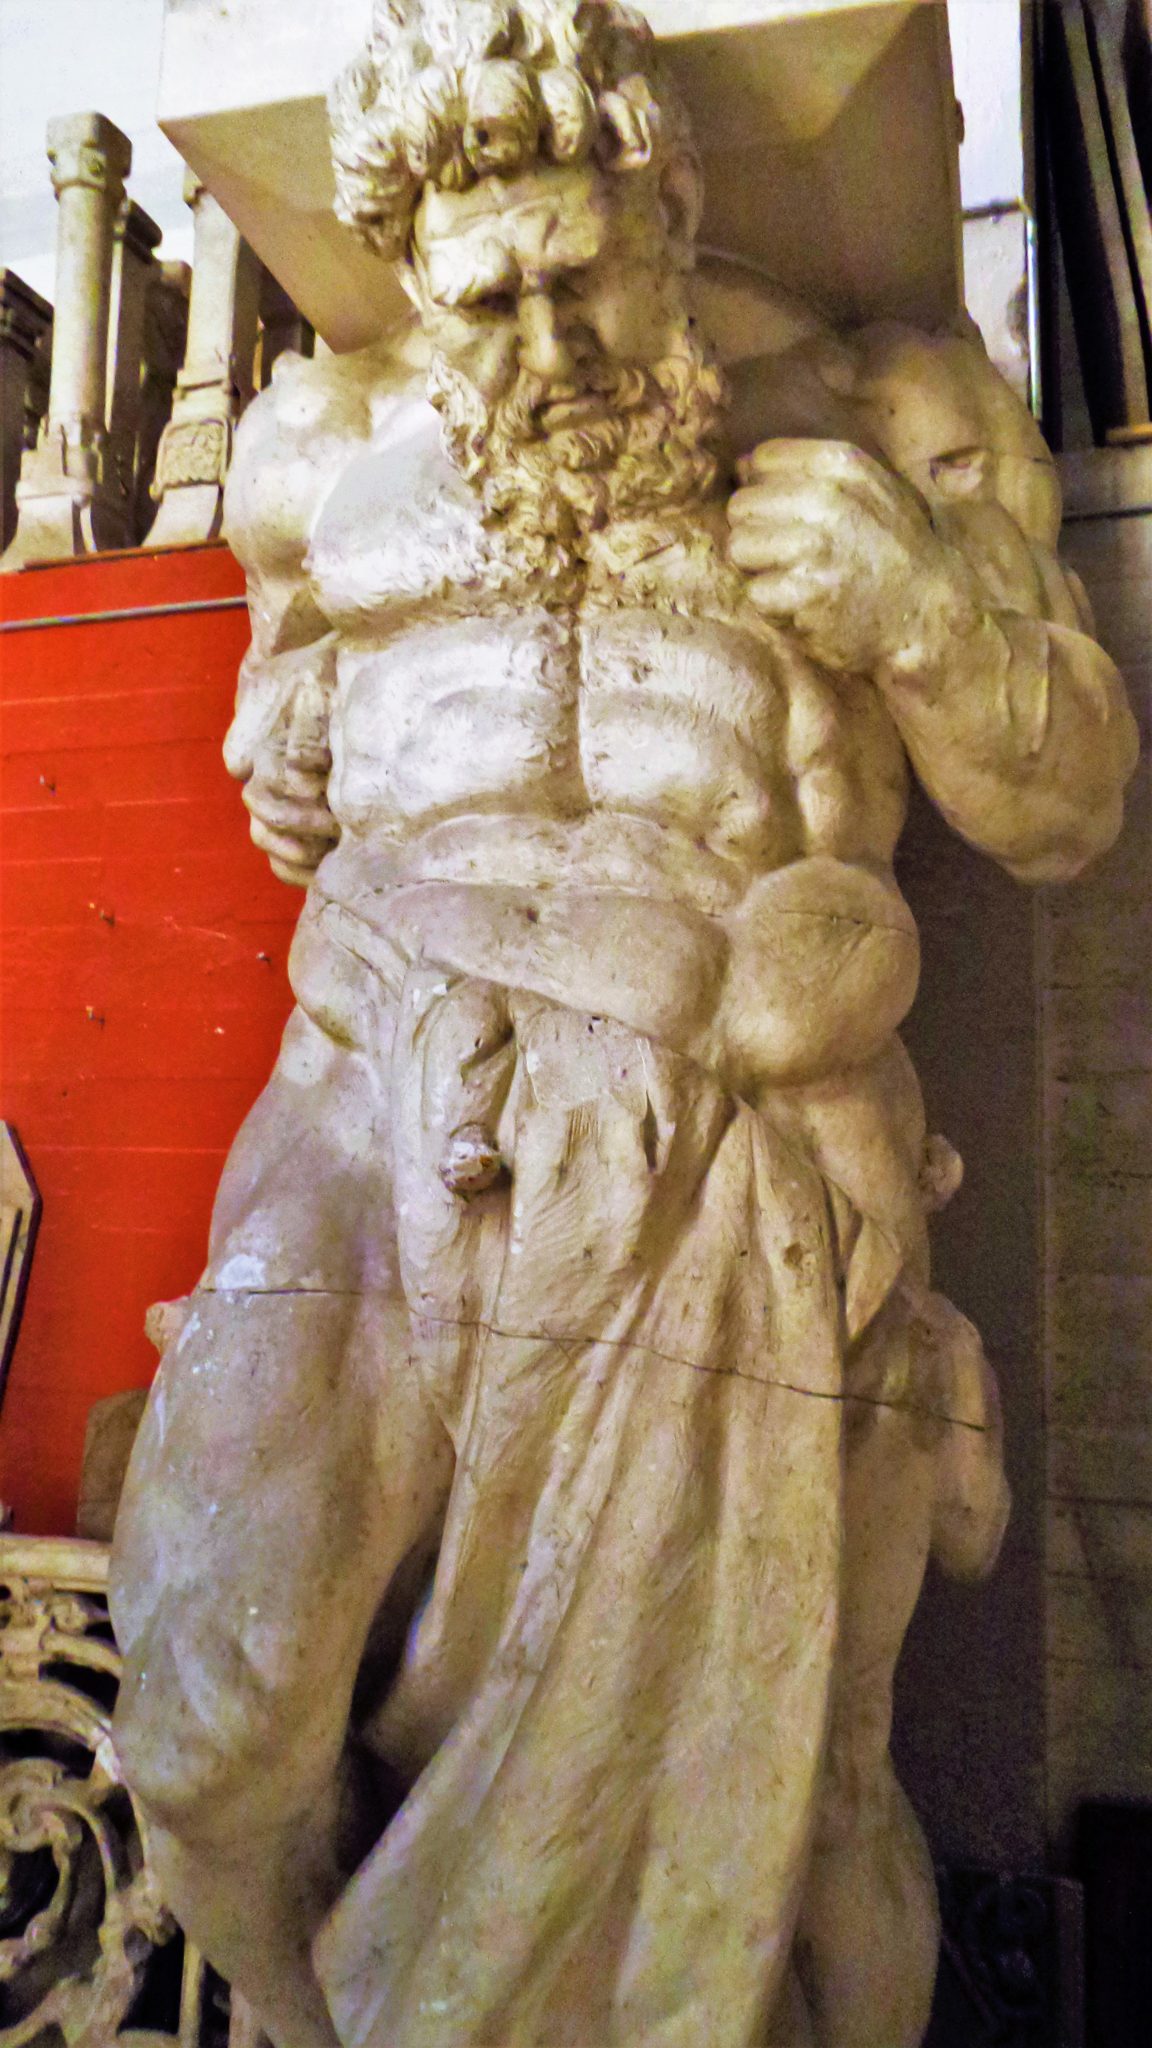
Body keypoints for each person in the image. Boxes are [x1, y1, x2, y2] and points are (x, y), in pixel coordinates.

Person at [109, 5, 1137, 2045]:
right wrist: (275, 746)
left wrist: (923, 613)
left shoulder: (877, 398)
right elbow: (277, 731)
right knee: (212, 1728)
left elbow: (1070, 808)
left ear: (668, 198)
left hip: (739, 1154)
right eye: (488, 302)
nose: (550, 347)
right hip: (371, 1118)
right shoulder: (323, 453)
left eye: (586, 271)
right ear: (412, 269)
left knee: (789, 1818)